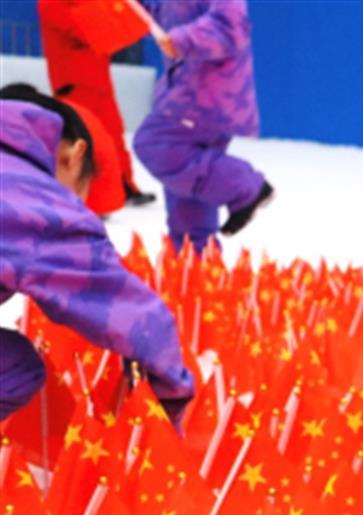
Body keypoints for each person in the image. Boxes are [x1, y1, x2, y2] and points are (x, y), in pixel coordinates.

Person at [0, 88, 193, 424]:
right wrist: (170, 402)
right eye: (81, 193)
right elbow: (132, 316)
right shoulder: (42, 204)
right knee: (15, 369)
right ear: (74, 156)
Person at [133, 0, 272, 251]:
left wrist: (183, 40)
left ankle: (245, 187)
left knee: (156, 144)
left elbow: (230, 25)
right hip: (188, 91)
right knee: (188, 186)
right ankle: (195, 257)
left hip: (206, 95)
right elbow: (157, 9)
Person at [37, 0, 156, 209]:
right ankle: (90, 197)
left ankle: (124, 186)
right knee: (84, 139)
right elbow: (86, 30)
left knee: (113, 134)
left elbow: (103, 31)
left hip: (98, 79)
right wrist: (109, 15)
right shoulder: (52, 3)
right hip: (73, 80)